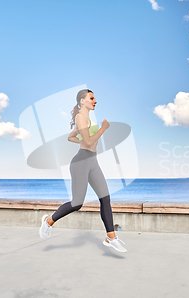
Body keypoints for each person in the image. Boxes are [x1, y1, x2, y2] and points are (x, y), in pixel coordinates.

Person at [38, 89, 127, 253]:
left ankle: (111, 238)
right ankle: (48, 221)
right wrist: (104, 129)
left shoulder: (87, 120)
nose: (95, 101)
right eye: (92, 98)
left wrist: (84, 137)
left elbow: (71, 137)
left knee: (105, 198)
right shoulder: (80, 117)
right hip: (81, 162)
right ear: (82, 101)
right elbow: (87, 140)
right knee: (77, 203)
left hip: (93, 161)